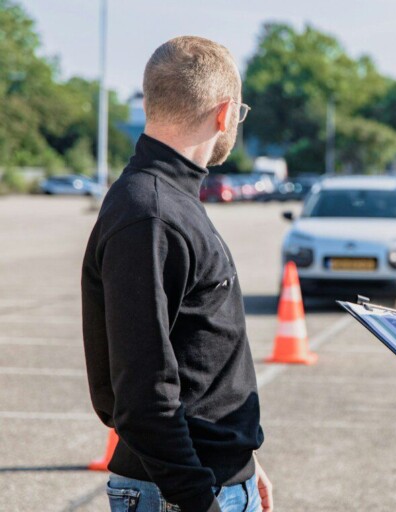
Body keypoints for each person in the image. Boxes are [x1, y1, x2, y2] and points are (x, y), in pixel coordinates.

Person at [82, 36, 272, 512]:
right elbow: (142, 396)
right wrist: (201, 499)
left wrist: (241, 459)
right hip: (180, 495)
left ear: (150, 102)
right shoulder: (151, 214)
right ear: (225, 114)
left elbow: (195, 359)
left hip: (211, 477)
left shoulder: (167, 200)